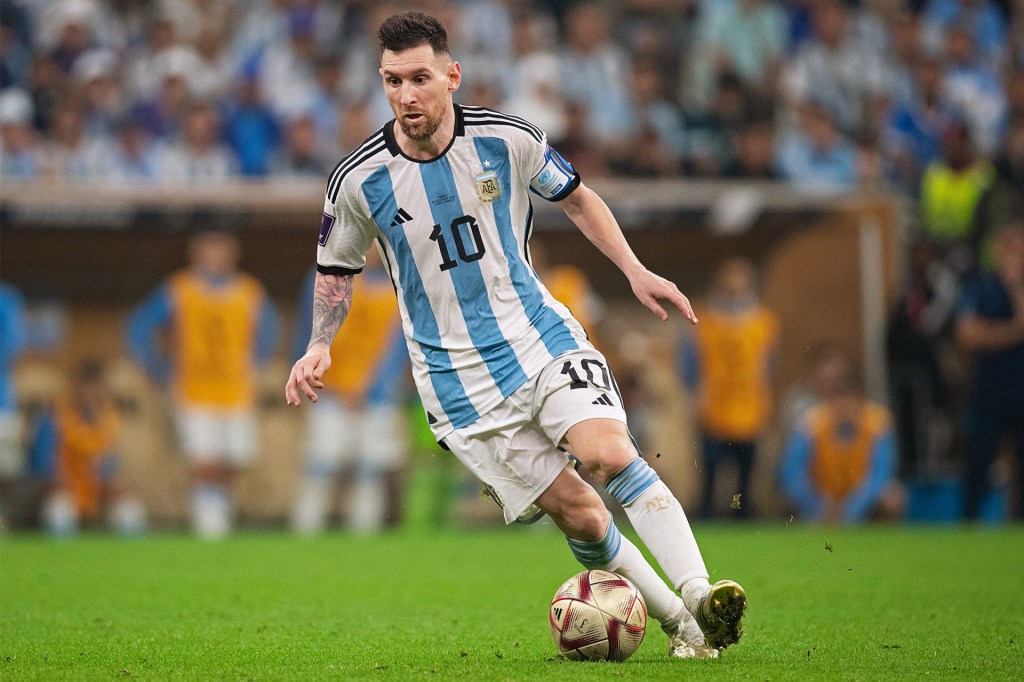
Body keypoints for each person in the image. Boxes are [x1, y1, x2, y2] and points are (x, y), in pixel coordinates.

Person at [285, 12, 745, 659]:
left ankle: (701, 594)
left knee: (608, 453)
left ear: (452, 75)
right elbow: (336, 269)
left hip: (538, 338)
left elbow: (579, 197)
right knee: (581, 513)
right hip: (458, 387)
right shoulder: (358, 180)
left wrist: (635, 269)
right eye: (392, 81)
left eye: (419, 78)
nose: (406, 95)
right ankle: (685, 628)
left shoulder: (509, 140)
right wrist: (318, 342)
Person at [127, 228, 278, 538]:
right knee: (203, 454)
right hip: (195, 388)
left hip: (236, 389)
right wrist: (157, 367)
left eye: (221, 249)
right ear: (195, 253)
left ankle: (219, 508)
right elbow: (139, 326)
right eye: (208, 249)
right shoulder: (179, 289)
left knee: (234, 457)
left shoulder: (249, 291)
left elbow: (270, 333)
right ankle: (207, 519)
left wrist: (256, 364)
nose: (215, 256)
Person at [290, 248, 409, 534]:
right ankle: (306, 531)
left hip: (379, 398)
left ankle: (364, 535)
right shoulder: (325, 279)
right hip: (329, 391)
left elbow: (400, 346)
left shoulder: (400, 287)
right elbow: (308, 332)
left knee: (371, 468)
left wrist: (375, 388)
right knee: (322, 462)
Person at [679, 258, 778, 519]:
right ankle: (707, 512)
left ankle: (742, 514)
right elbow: (691, 360)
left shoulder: (763, 320)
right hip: (713, 404)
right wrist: (694, 392)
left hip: (749, 404)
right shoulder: (704, 318)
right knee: (710, 467)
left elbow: (768, 364)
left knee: (746, 469)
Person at [779, 351, 904, 523]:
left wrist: (852, 508)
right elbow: (792, 474)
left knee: (893, 497)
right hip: (822, 498)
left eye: (849, 398)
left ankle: (879, 544)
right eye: (838, 398)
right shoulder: (810, 424)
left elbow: (881, 474)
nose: (844, 406)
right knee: (786, 498)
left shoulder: (878, 424)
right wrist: (819, 503)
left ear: (859, 399)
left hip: (860, 498)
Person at [955, 222, 1024, 520]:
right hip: (988, 393)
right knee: (977, 464)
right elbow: (968, 335)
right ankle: (969, 526)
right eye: (1004, 246)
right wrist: (1013, 332)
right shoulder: (980, 286)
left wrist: (1016, 287)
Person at [35, 359, 146, 536]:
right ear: (74, 388)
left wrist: (111, 486)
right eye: (84, 388)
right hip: (64, 492)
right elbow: (42, 471)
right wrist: (57, 483)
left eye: (95, 389)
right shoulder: (54, 419)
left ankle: (131, 561)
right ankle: (61, 560)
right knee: (60, 509)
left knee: (129, 510)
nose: (89, 395)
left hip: (96, 494)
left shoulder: (109, 422)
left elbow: (110, 470)